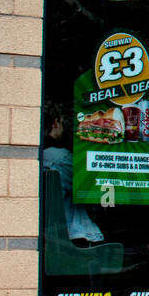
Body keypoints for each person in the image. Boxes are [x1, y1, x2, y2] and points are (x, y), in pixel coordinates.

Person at [41, 102, 105, 246]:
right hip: (73, 235)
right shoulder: (61, 158)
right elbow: (95, 192)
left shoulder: (38, 156)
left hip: (50, 234)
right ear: (56, 123)